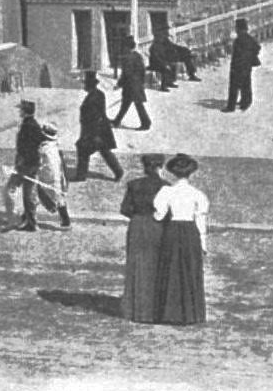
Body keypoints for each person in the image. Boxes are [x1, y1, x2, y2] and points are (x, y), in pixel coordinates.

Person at [153, 154, 209, 325]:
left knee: (170, 269)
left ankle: (168, 312)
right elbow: (201, 220)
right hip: (190, 232)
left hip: (172, 230)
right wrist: (203, 244)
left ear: (172, 172)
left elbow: (159, 215)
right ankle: (191, 313)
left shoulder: (166, 191)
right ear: (191, 173)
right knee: (190, 269)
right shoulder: (197, 194)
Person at [119, 153, 168, 322]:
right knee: (155, 265)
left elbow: (125, 209)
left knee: (136, 265)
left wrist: (138, 215)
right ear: (160, 167)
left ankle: (134, 309)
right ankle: (154, 309)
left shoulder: (134, 184)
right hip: (157, 226)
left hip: (137, 224)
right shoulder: (165, 186)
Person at [4, 99, 51, 232]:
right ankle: (29, 220)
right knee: (27, 193)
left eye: (21, 110)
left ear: (24, 111)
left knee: (12, 189)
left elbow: (29, 145)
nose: (19, 111)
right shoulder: (31, 124)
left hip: (26, 164)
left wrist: (22, 161)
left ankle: (18, 219)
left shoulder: (28, 125)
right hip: (30, 163)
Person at [75, 73, 123, 181]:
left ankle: (81, 175)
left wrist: (91, 135)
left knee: (83, 149)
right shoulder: (99, 94)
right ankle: (118, 171)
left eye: (85, 84)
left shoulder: (92, 98)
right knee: (105, 151)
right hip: (102, 130)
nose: (84, 86)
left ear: (89, 85)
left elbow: (93, 118)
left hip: (95, 131)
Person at [36, 122, 71, 228]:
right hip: (57, 176)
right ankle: (66, 221)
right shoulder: (55, 146)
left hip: (47, 177)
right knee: (59, 198)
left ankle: (27, 217)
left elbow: (39, 163)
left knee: (35, 194)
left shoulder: (43, 149)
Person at [226, 17, 261, 113]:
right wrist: (251, 56)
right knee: (246, 84)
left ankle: (231, 106)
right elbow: (257, 47)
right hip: (247, 65)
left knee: (234, 86)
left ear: (238, 28)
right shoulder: (250, 38)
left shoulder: (238, 40)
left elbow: (236, 54)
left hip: (238, 66)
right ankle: (246, 102)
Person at [113, 44, 152, 129]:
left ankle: (146, 123)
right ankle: (117, 121)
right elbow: (143, 70)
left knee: (136, 105)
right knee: (127, 104)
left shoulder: (127, 58)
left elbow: (126, 74)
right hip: (137, 84)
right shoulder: (137, 56)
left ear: (127, 47)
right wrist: (141, 82)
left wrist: (119, 84)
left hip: (130, 85)